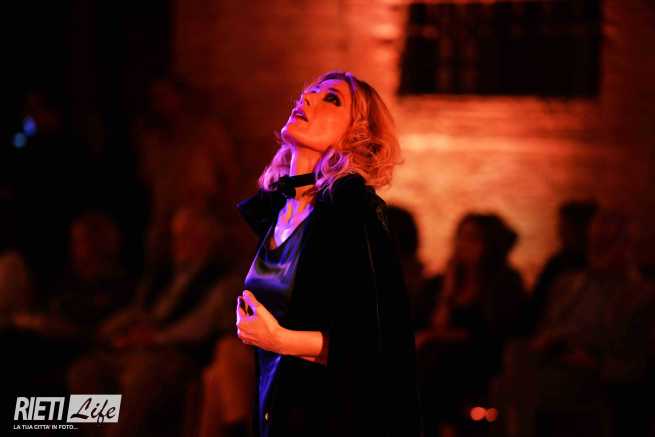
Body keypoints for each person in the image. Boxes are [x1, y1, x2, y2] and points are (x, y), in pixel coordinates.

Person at [234, 71, 421, 437]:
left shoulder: (353, 212)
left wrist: (279, 339)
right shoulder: (279, 211)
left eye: (331, 99)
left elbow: (375, 342)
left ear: (357, 134)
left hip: (332, 415)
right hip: (276, 408)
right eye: (309, 93)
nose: (306, 99)